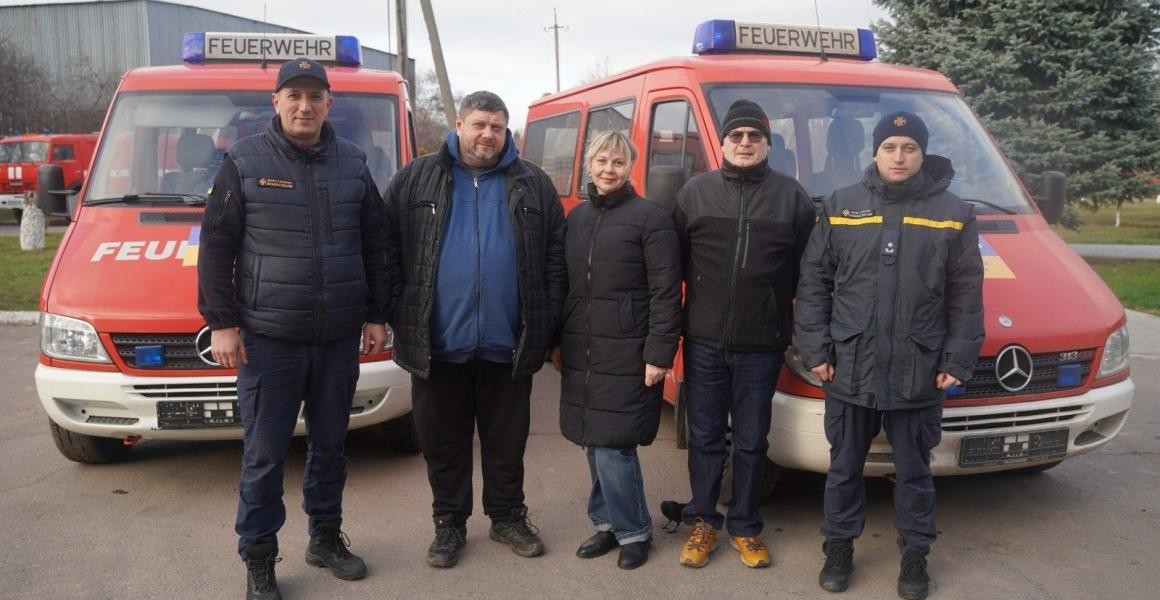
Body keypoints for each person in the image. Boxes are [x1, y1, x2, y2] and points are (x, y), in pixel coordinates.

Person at [197, 57, 388, 600]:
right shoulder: (244, 160)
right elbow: (216, 246)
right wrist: (223, 323)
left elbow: (375, 244)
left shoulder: (354, 163)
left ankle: (325, 538)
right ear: (276, 102)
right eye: (294, 95)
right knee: (264, 455)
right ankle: (259, 558)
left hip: (337, 340)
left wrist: (377, 314)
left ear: (329, 104)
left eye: (315, 96)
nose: (305, 106)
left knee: (331, 448)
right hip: (268, 341)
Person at [794, 111, 984, 600]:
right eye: (890, 147)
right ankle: (838, 549)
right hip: (850, 364)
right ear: (874, 152)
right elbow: (813, 283)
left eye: (909, 148)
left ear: (922, 154)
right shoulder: (841, 206)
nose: (899, 157)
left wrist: (956, 360)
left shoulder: (953, 212)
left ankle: (915, 557)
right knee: (843, 469)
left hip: (917, 369)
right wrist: (815, 349)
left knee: (915, 474)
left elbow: (966, 295)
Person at [382, 90, 566, 569]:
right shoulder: (415, 178)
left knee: (507, 442)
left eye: (498, 127)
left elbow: (553, 260)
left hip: (509, 342)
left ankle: (507, 515)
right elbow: (387, 248)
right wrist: (396, 308)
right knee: (443, 441)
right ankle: (449, 524)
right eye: (480, 124)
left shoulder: (533, 184)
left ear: (508, 133)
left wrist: (548, 328)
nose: (488, 134)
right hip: (437, 344)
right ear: (458, 124)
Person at [670, 99, 816, 569]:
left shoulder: (792, 198)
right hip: (705, 340)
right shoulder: (695, 194)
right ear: (723, 142)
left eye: (755, 135)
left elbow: (806, 275)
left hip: (762, 344)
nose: (746, 142)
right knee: (707, 437)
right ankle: (704, 522)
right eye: (737, 135)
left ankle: (746, 525)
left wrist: (790, 323)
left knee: (753, 440)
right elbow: (672, 266)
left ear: (768, 143)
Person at [552, 130, 682, 570]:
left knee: (614, 445)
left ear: (631, 168)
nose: (609, 170)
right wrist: (557, 342)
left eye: (619, 163)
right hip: (584, 348)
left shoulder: (650, 218)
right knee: (593, 439)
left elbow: (667, 292)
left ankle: (634, 530)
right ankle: (606, 523)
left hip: (629, 350)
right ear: (589, 164)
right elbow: (566, 286)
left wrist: (659, 354)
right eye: (602, 161)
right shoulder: (578, 218)